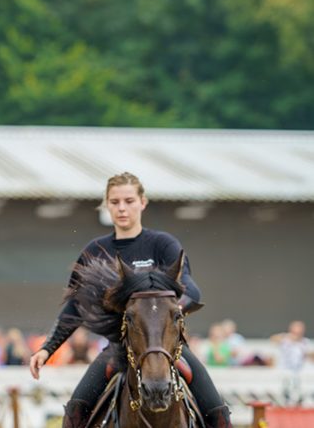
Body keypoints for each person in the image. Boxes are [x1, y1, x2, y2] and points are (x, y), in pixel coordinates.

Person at [28, 172, 231, 428]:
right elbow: (74, 307)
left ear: (142, 202)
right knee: (75, 410)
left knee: (218, 413)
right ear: (106, 205)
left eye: (129, 200)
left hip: (169, 348)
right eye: (114, 202)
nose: (122, 208)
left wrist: (166, 314)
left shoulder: (163, 244)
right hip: (118, 349)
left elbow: (191, 290)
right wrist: (47, 348)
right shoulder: (95, 251)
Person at [270, 320, 314, 405]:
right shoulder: (285, 340)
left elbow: (310, 356)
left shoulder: (305, 342)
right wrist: (288, 336)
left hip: (299, 370)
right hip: (285, 369)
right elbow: (272, 339)